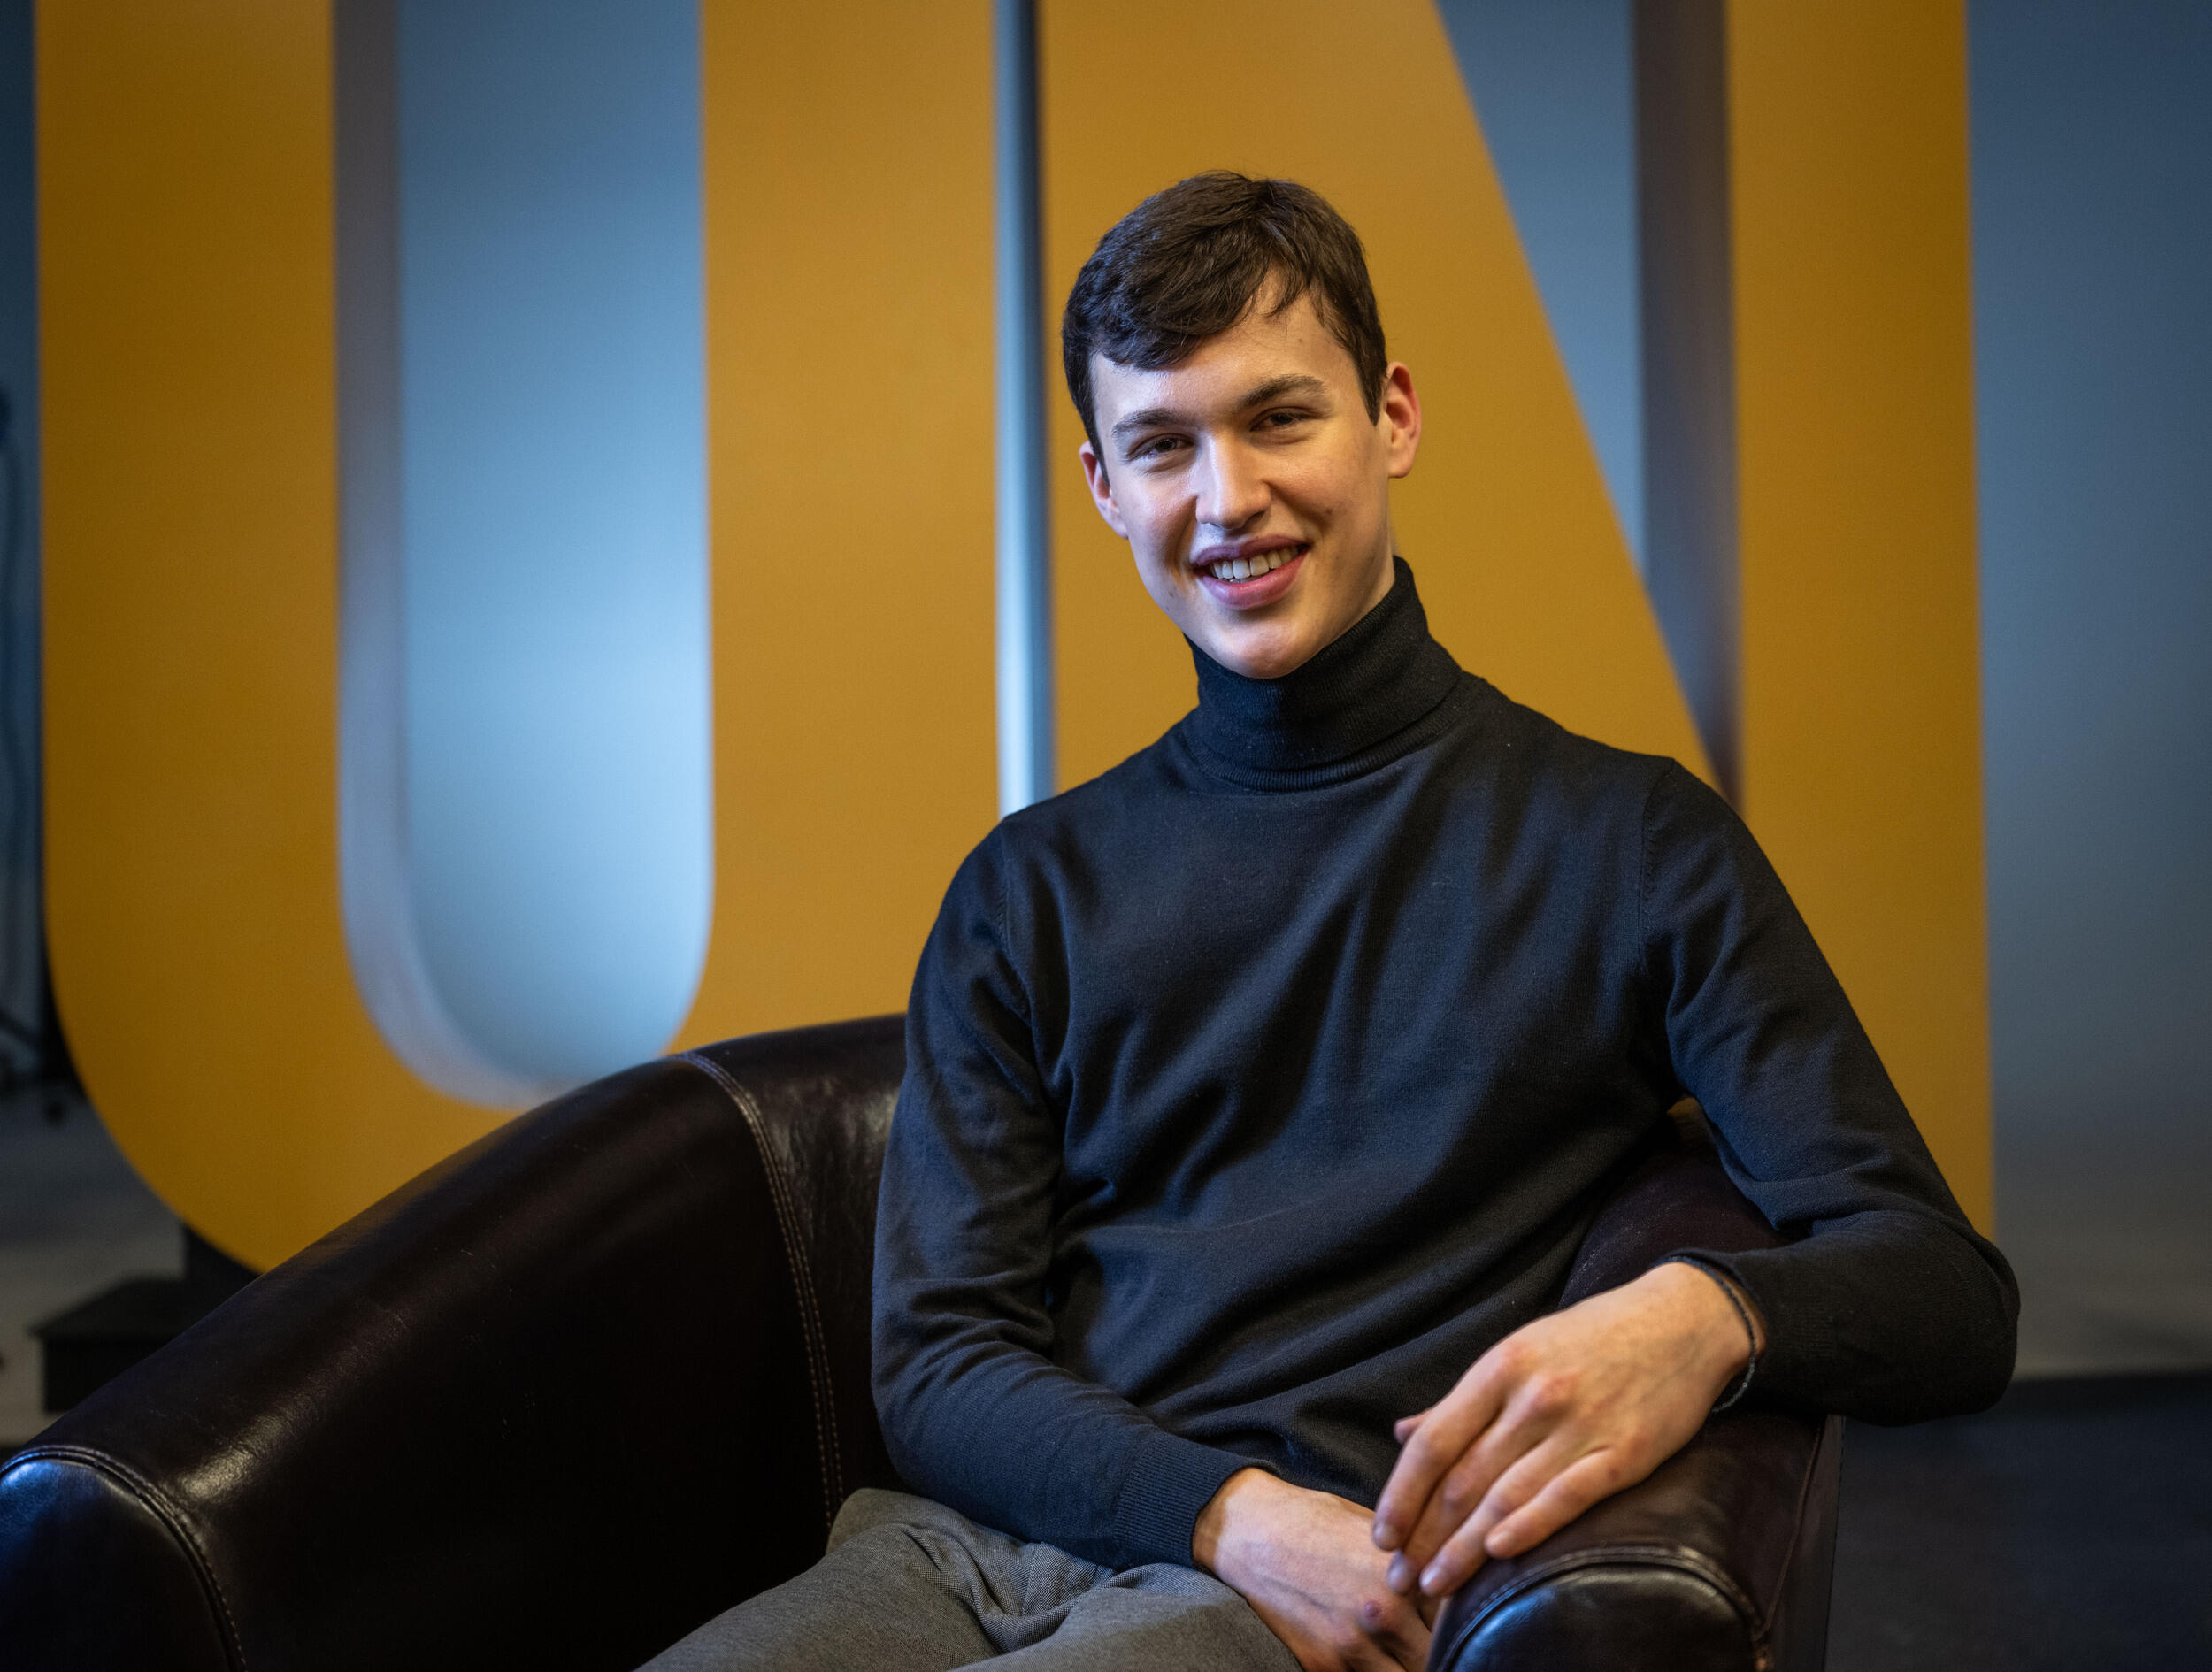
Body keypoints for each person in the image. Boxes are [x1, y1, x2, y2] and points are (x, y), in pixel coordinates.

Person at [640, 172, 2016, 1672]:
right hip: (959, 1554)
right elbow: (940, 1364)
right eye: (1163, 445)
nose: (1228, 497)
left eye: (1279, 417)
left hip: (1293, 1598)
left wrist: (1701, 1317)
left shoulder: (1630, 842)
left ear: (1394, 418)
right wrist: (1227, 1509)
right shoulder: (1025, 890)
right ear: (1103, 487)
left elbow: (1948, 1294)